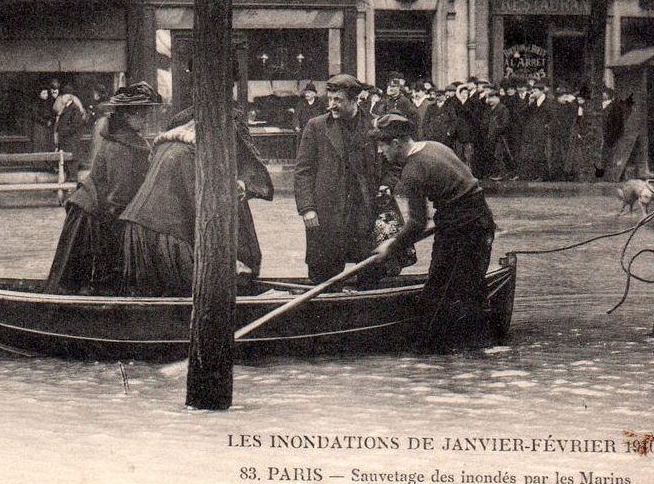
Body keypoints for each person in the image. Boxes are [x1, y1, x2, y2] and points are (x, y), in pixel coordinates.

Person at [370, 114, 497, 350]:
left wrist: (391, 246)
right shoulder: (435, 146)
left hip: (460, 229)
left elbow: (417, 224)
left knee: (437, 295)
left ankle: (429, 353)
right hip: (480, 219)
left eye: (383, 145)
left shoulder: (413, 171)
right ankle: (482, 349)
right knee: (472, 286)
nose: (380, 151)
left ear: (397, 143)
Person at [119, 106, 273, 296]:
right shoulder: (194, 155)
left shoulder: (170, 143)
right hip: (165, 234)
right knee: (193, 293)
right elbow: (203, 209)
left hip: (138, 227)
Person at [44, 83, 160, 294]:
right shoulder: (120, 147)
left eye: (146, 112)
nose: (145, 117)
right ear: (126, 116)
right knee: (84, 283)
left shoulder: (126, 140)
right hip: (92, 218)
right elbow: (117, 199)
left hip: (97, 212)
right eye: (139, 113)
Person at [294, 73, 396, 285]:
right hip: (326, 212)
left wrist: (387, 183)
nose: (331, 105)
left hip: (365, 211)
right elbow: (303, 170)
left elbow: (393, 162)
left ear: (355, 100)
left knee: (371, 270)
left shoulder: (375, 125)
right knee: (324, 275)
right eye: (329, 99)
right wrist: (307, 208)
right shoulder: (316, 126)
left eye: (338, 100)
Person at [53, 82, 89, 179]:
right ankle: (69, 179)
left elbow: (76, 125)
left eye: (63, 96)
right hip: (66, 139)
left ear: (69, 97)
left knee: (72, 160)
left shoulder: (74, 109)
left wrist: (66, 132)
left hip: (71, 140)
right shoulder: (66, 108)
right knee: (67, 161)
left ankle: (72, 180)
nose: (61, 99)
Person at [32, 83, 57, 152]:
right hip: (40, 126)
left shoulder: (50, 103)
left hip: (49, 127)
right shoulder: (37, 104)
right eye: (43, 93)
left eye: (46, 93)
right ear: (39, 94)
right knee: (40, 143)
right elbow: (35, 115)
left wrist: (51, 120)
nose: (46, 95)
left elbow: (54, 113)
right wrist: (45, 122)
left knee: (48, 143)